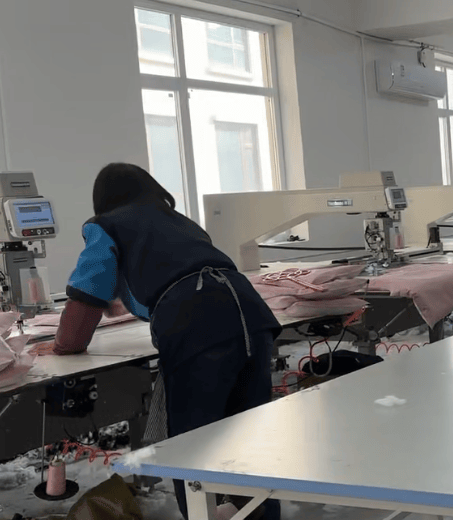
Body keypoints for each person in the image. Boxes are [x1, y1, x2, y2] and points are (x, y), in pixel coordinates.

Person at [35, 163, 281, 520]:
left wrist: (63, 344)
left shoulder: (105, 225)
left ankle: (201, 515)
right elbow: (176, 275)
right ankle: (261, 514)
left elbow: (87, 291)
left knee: (192, 445)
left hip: (198, 329)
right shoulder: (181, 222)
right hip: (252, 316)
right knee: (251, 435)